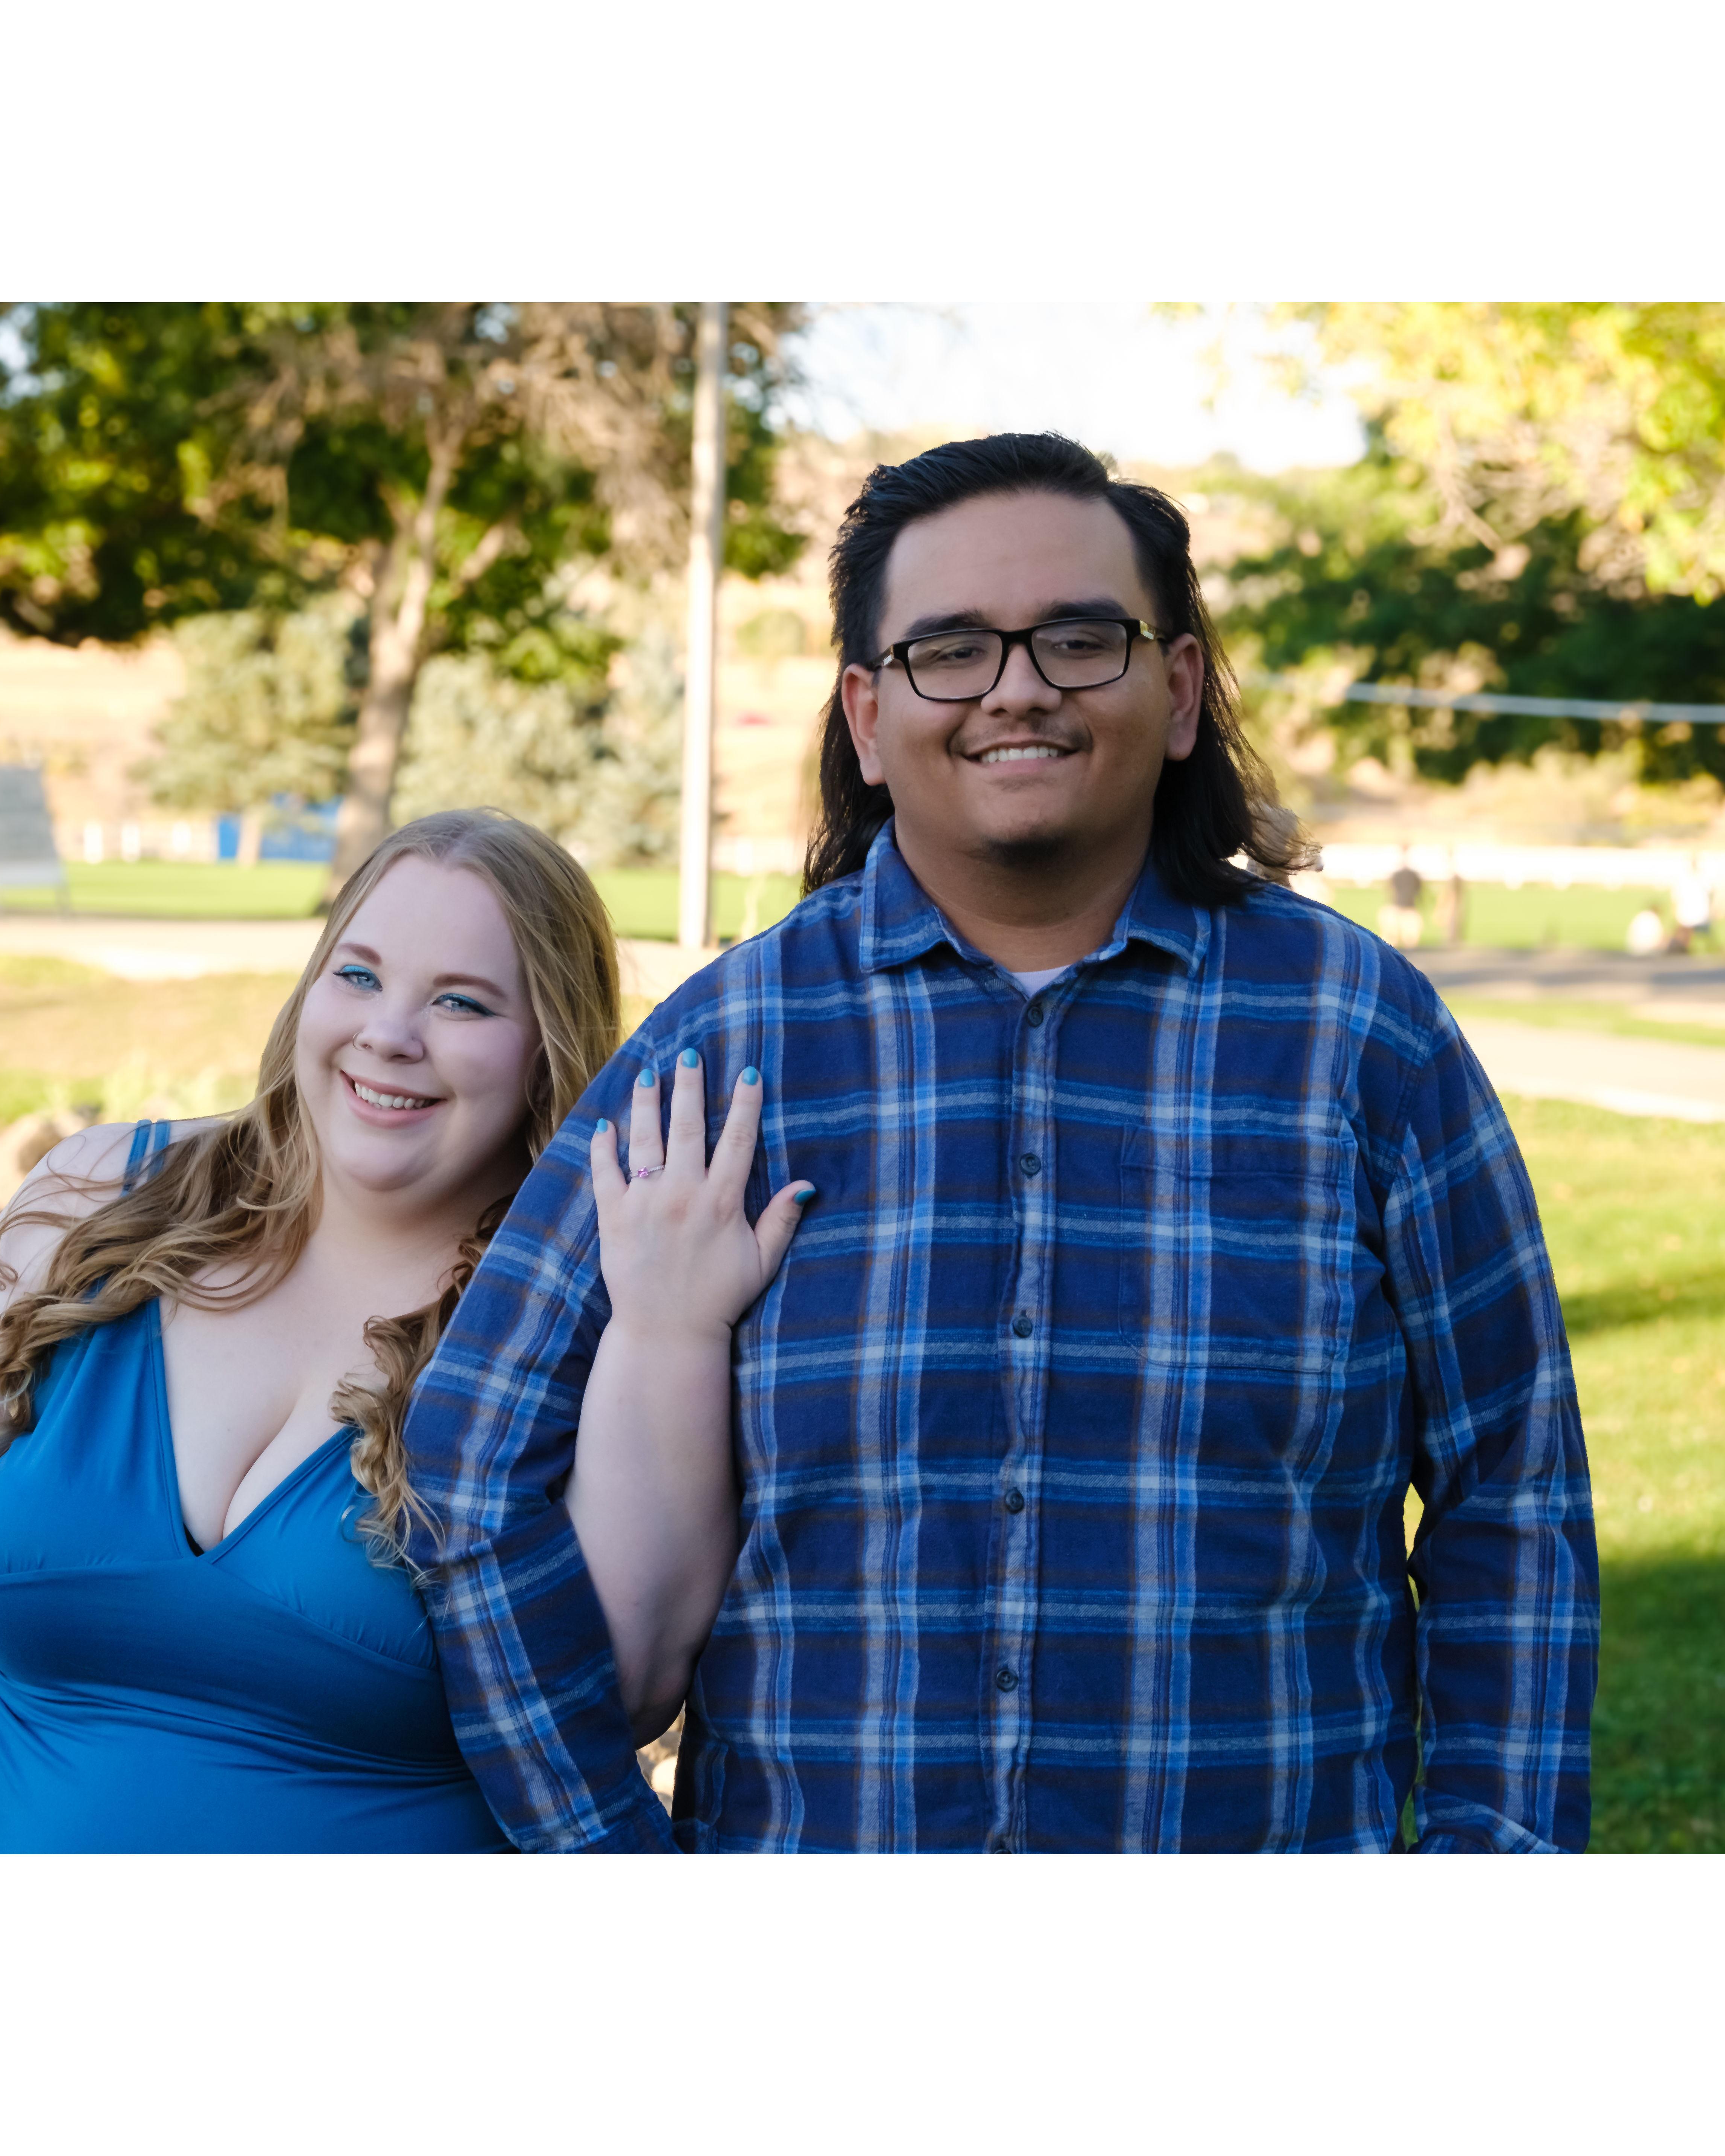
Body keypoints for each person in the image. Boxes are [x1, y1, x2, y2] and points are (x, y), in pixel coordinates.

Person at [404, 432, 1598, 1854]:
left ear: (1177, 691)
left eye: (1081, 640)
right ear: (866, 716)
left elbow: (1511, 1490)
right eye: (950, 649)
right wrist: (599, 1849)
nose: (1018, 687)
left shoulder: (1359, 1035)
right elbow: (472, 1464)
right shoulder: (720, 1051)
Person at [0, 806, 776, 1852]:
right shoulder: (99, 1201)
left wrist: (671, 1332)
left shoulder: (578, 1318)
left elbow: (620, 1697)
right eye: (358, 975)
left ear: (549, 1048)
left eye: (461, 1001)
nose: (388, 1034)